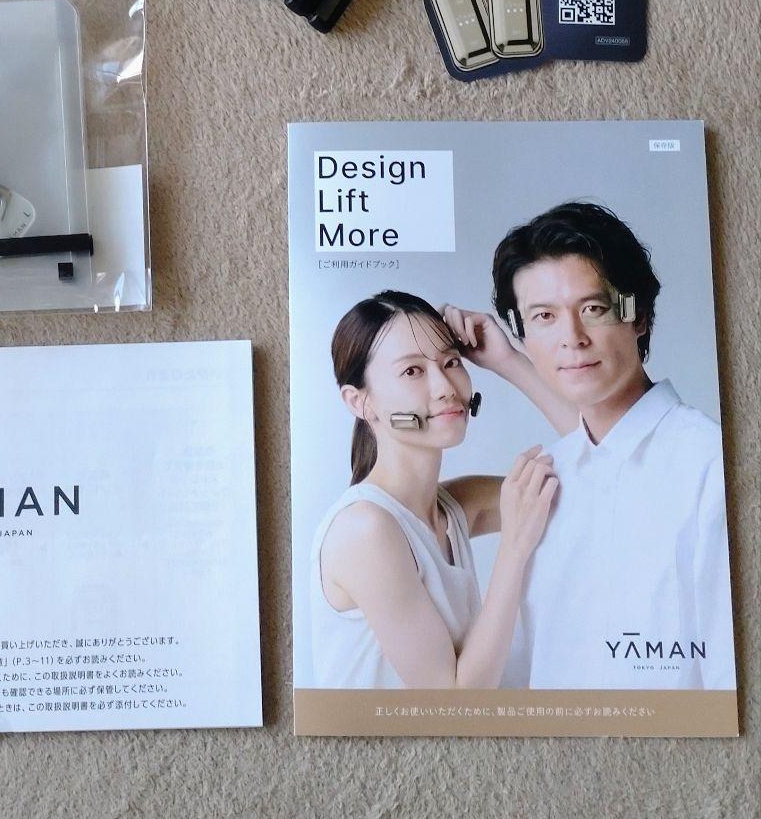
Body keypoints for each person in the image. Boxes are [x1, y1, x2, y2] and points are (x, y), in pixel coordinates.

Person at [442, 201, 736, 690]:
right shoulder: (551, 476)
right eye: (543, 316)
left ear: (639, 316)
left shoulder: (708, 464)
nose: (571, 338)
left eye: (593, 309)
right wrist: (509, 362)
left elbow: (731, 681)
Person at [311, 291, 559, 689]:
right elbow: (450, 706)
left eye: (451, 362)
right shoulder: (365, 529)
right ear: (360, 402)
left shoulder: (456, 506)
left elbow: (600, 466)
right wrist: (515, 547)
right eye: (413, 371)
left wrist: (509, 361)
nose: (445, 387)